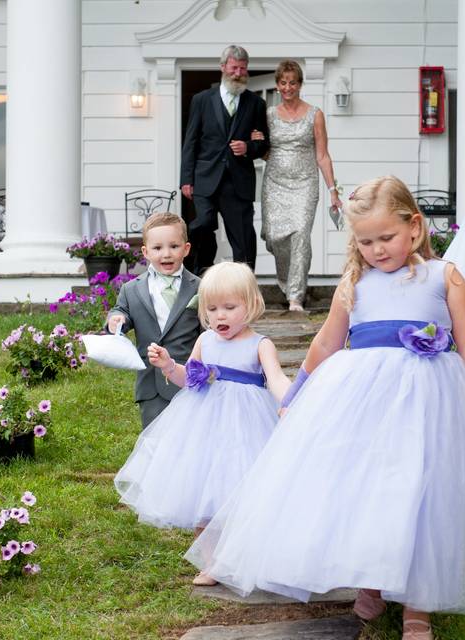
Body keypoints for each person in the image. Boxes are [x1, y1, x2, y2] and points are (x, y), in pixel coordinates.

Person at [185, 176, 465, 640]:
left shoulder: (442, 276)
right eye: (365, 241)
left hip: (428, 402)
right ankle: (373, 577)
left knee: (421, 491)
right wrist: (295, 394)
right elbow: (326, 343)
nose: (376, 249)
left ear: (414, 227)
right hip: (365, 402)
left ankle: (418, 605)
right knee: (372, 489)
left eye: (386, 238)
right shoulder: (355, 283)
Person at [114, 261, 291, 585]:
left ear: (251, 305)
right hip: (205, 427)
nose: (219, 316)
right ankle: (210, 563)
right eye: (211, 308)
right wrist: (169, 366)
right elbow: (189, 378)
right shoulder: (206, 342)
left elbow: (276, 378)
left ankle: (244, 557)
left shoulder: (260, 344)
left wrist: (290, 400)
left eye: (229, 307)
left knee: (245, 493)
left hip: (247, 428)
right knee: (202, 495)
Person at [250, 59, 342, 312]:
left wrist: (333, 190)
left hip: (305, 183)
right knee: (276, 239)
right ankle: (287, 282)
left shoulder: (315, 114)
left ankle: (295, 297)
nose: (288, 87)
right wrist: (257, 143)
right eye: (283, 82)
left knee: (300, 234)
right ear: (277, 86)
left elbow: (322, 155)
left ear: (300, 84)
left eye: (292, 82)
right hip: (275, 182)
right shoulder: (268, 114)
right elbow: (262, 149)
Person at [180, 45, 270, 275]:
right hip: (205, 178)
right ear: (223, 68)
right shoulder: (202, 100)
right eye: (234, 67)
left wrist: (248, 147)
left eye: (243, 68)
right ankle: (197, 272)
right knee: (203, 224)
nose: (238, 73)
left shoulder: (256, 103)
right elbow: (191, 141)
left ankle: (246, 283)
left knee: (242, 237)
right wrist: (186, 179)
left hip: (238, 181)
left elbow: (263, 144)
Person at [105, 213, 201, 427]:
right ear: (146, 252)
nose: (166, 254)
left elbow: (207, 330)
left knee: (189, 437)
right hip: (151, 383)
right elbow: (121, 311)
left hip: (188, 379)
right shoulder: (132, 289)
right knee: (154, 443)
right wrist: (116, 320)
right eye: (158, 248)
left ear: (186, 249)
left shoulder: (199, 287)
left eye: (174, 246)